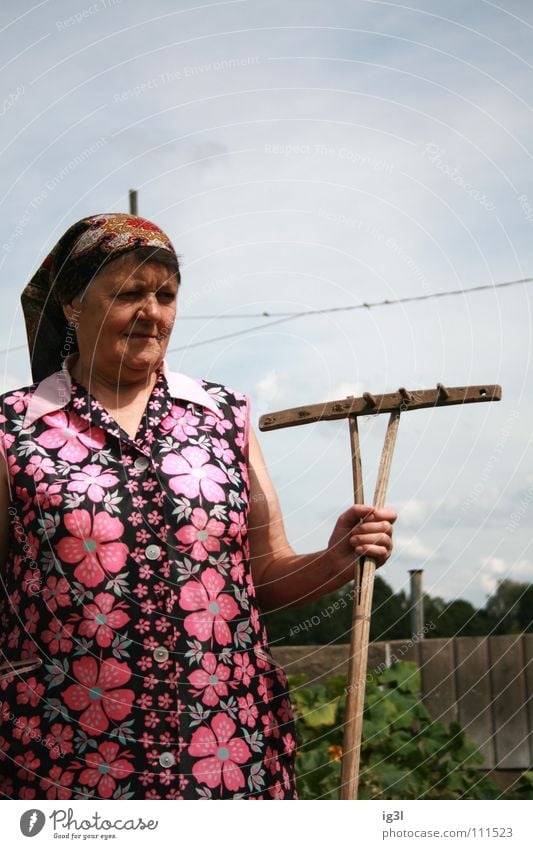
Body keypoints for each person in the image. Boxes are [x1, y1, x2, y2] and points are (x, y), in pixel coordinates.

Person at [0, 213, 396, 800]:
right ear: (73, 308)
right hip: (65, 754)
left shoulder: (220, 417)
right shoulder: (14, 430)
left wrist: (338, 558)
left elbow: (262, 573)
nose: (152, 311)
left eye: (165, 294)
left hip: (223, 749)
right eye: (129, 293)